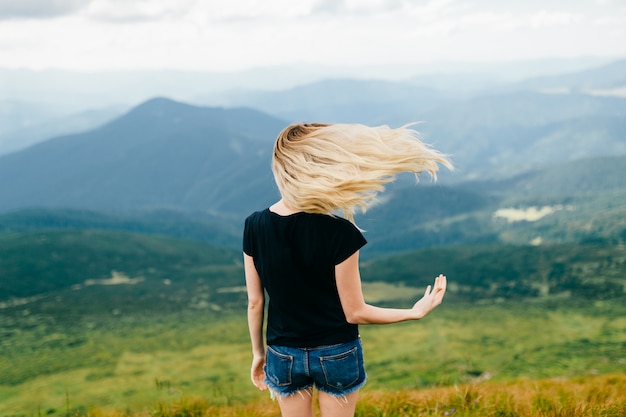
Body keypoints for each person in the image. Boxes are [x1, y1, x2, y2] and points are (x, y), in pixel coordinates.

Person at [243, 122, 451, 417]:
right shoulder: (340, 232)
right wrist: (412, 312)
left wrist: (258, 354)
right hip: (336, 352)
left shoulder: (254, 225)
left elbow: (255, 302)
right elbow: (355, 312)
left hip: (283, 353)